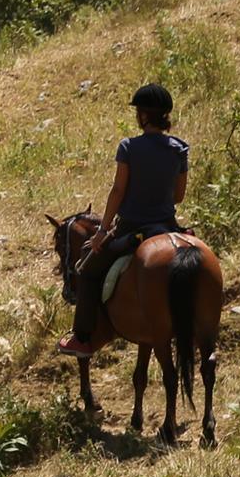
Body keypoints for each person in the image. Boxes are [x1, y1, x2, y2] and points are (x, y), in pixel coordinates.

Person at [59, 83, 189, 356]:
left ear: (143, 116)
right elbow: (178, 196)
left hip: (131, 229)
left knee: (87, 269)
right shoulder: (179, 149)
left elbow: (118, 191)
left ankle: (82, 338)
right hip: (167, 227)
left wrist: (101, 232)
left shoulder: (129, 147)